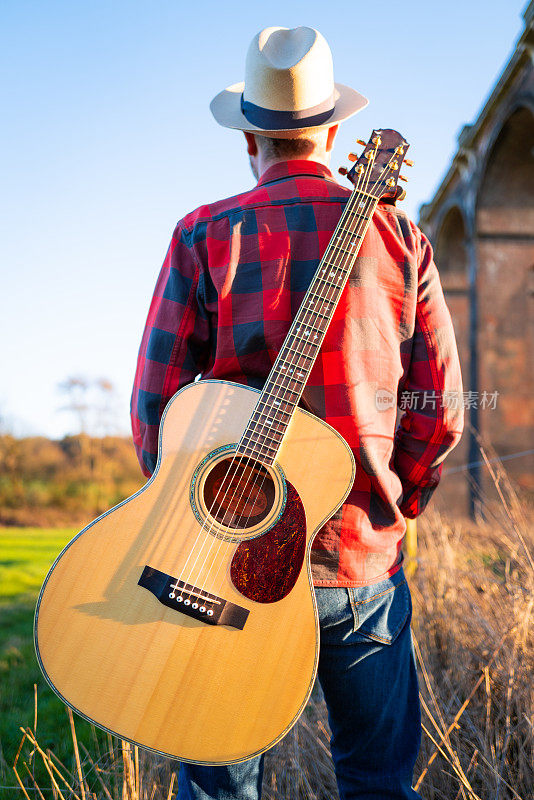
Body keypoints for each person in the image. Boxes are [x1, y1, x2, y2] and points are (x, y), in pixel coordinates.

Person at [131, 25, 464, 800]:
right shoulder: (403, 238)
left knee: (218, 787)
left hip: (223, 565)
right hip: (361, 566)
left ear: (251, 134)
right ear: (335, 131)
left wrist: (205, 520)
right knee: (378, 781)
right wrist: (391, 505)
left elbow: (157, 410)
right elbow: (439, 407)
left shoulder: (202, 233)